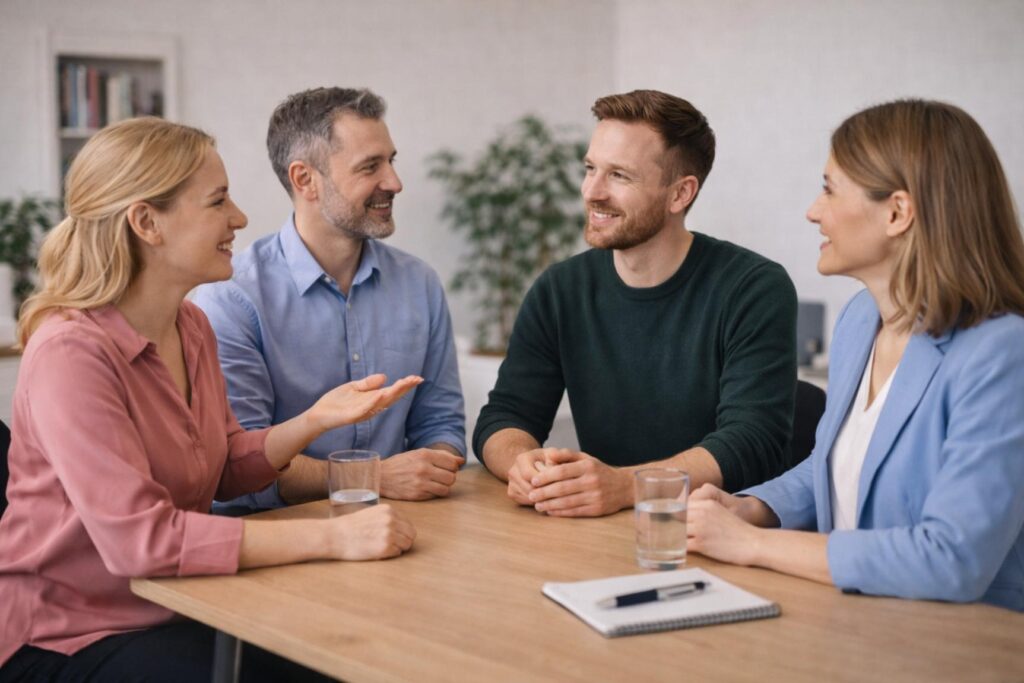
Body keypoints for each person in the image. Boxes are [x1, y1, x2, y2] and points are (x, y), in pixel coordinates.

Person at [0, 117, 421, 681]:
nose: (239, 218)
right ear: (146, 222)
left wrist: (315, 419)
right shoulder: (70, 354)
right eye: (218, 201)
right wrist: (334, 536)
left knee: (358, 644)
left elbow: (222, 469)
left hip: (178, 606)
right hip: (68, 636)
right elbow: (141, 541)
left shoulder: (190, 326)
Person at [686, 99, 1024, 611]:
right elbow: (837, 463)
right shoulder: (860, 320)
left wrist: (753, 544)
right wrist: (752, 509)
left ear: (897, 212)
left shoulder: (1001, 353)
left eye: (829, 189)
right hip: (852, 619)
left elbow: (951, 558)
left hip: (961, 638)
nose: (813, 211)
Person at [475, 90, 798, 517]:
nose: (592, 192)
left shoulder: (753, 288)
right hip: (602, 528)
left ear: (680, 194)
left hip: (714, 531)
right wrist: (523, 464)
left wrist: (628, 486)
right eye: (590, 169)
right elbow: (505, 416)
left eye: (619, 176)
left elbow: (751, 441)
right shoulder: (560, 288)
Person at [193, 87, 465, 511]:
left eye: (391, 161)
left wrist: (433, 467)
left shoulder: (420, 284)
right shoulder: (231, 299)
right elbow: (240, 467)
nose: (394, 183)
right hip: (274, 533)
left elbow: (441, 423)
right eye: (370, 166)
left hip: (399, 523)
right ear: (305, 180)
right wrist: (373, 478)